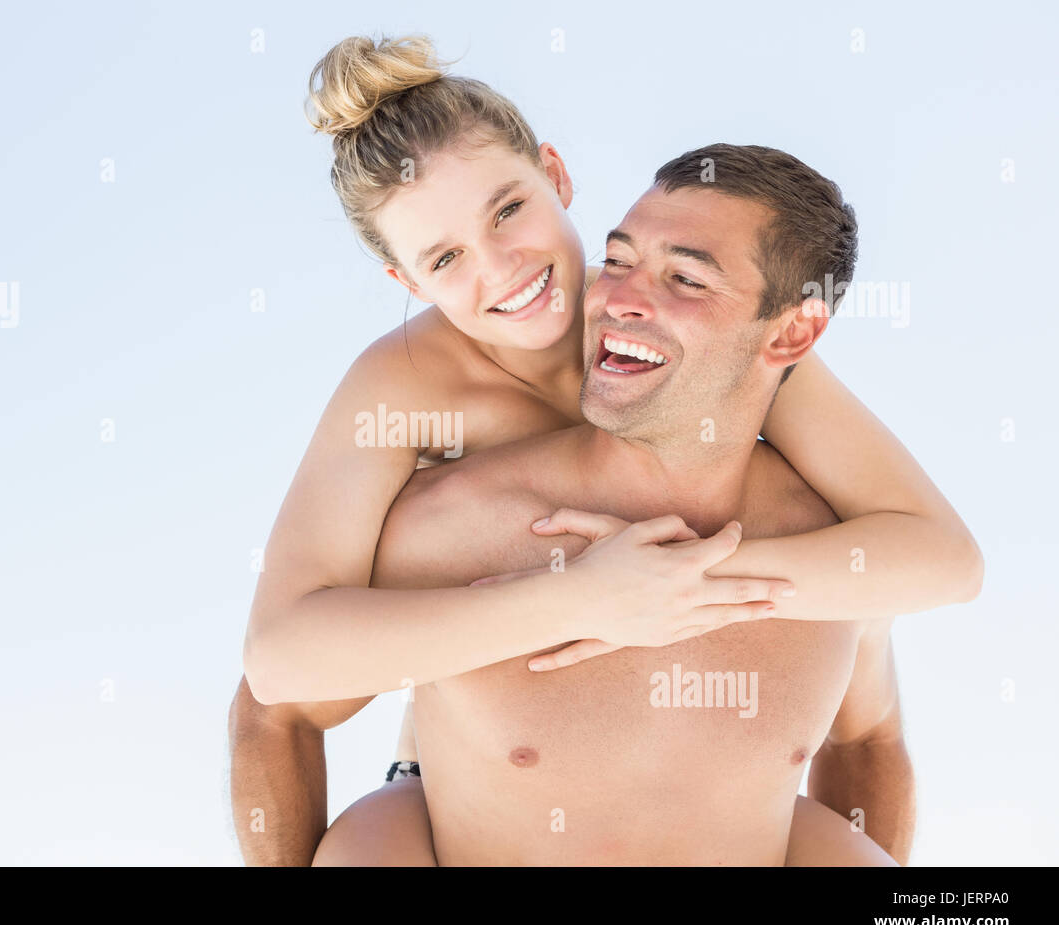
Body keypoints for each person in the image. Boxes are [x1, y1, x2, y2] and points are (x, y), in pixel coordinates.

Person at [229, 35, 981, 865]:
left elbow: (941, 556)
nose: (503, 269)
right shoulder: (403, 388)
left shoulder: (688, 330)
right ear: (409, 285)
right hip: (475, 738)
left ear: (555, 174)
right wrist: (579, 601)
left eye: (508, 210)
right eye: (445, 259)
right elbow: (278, 661)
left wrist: (687, 585)